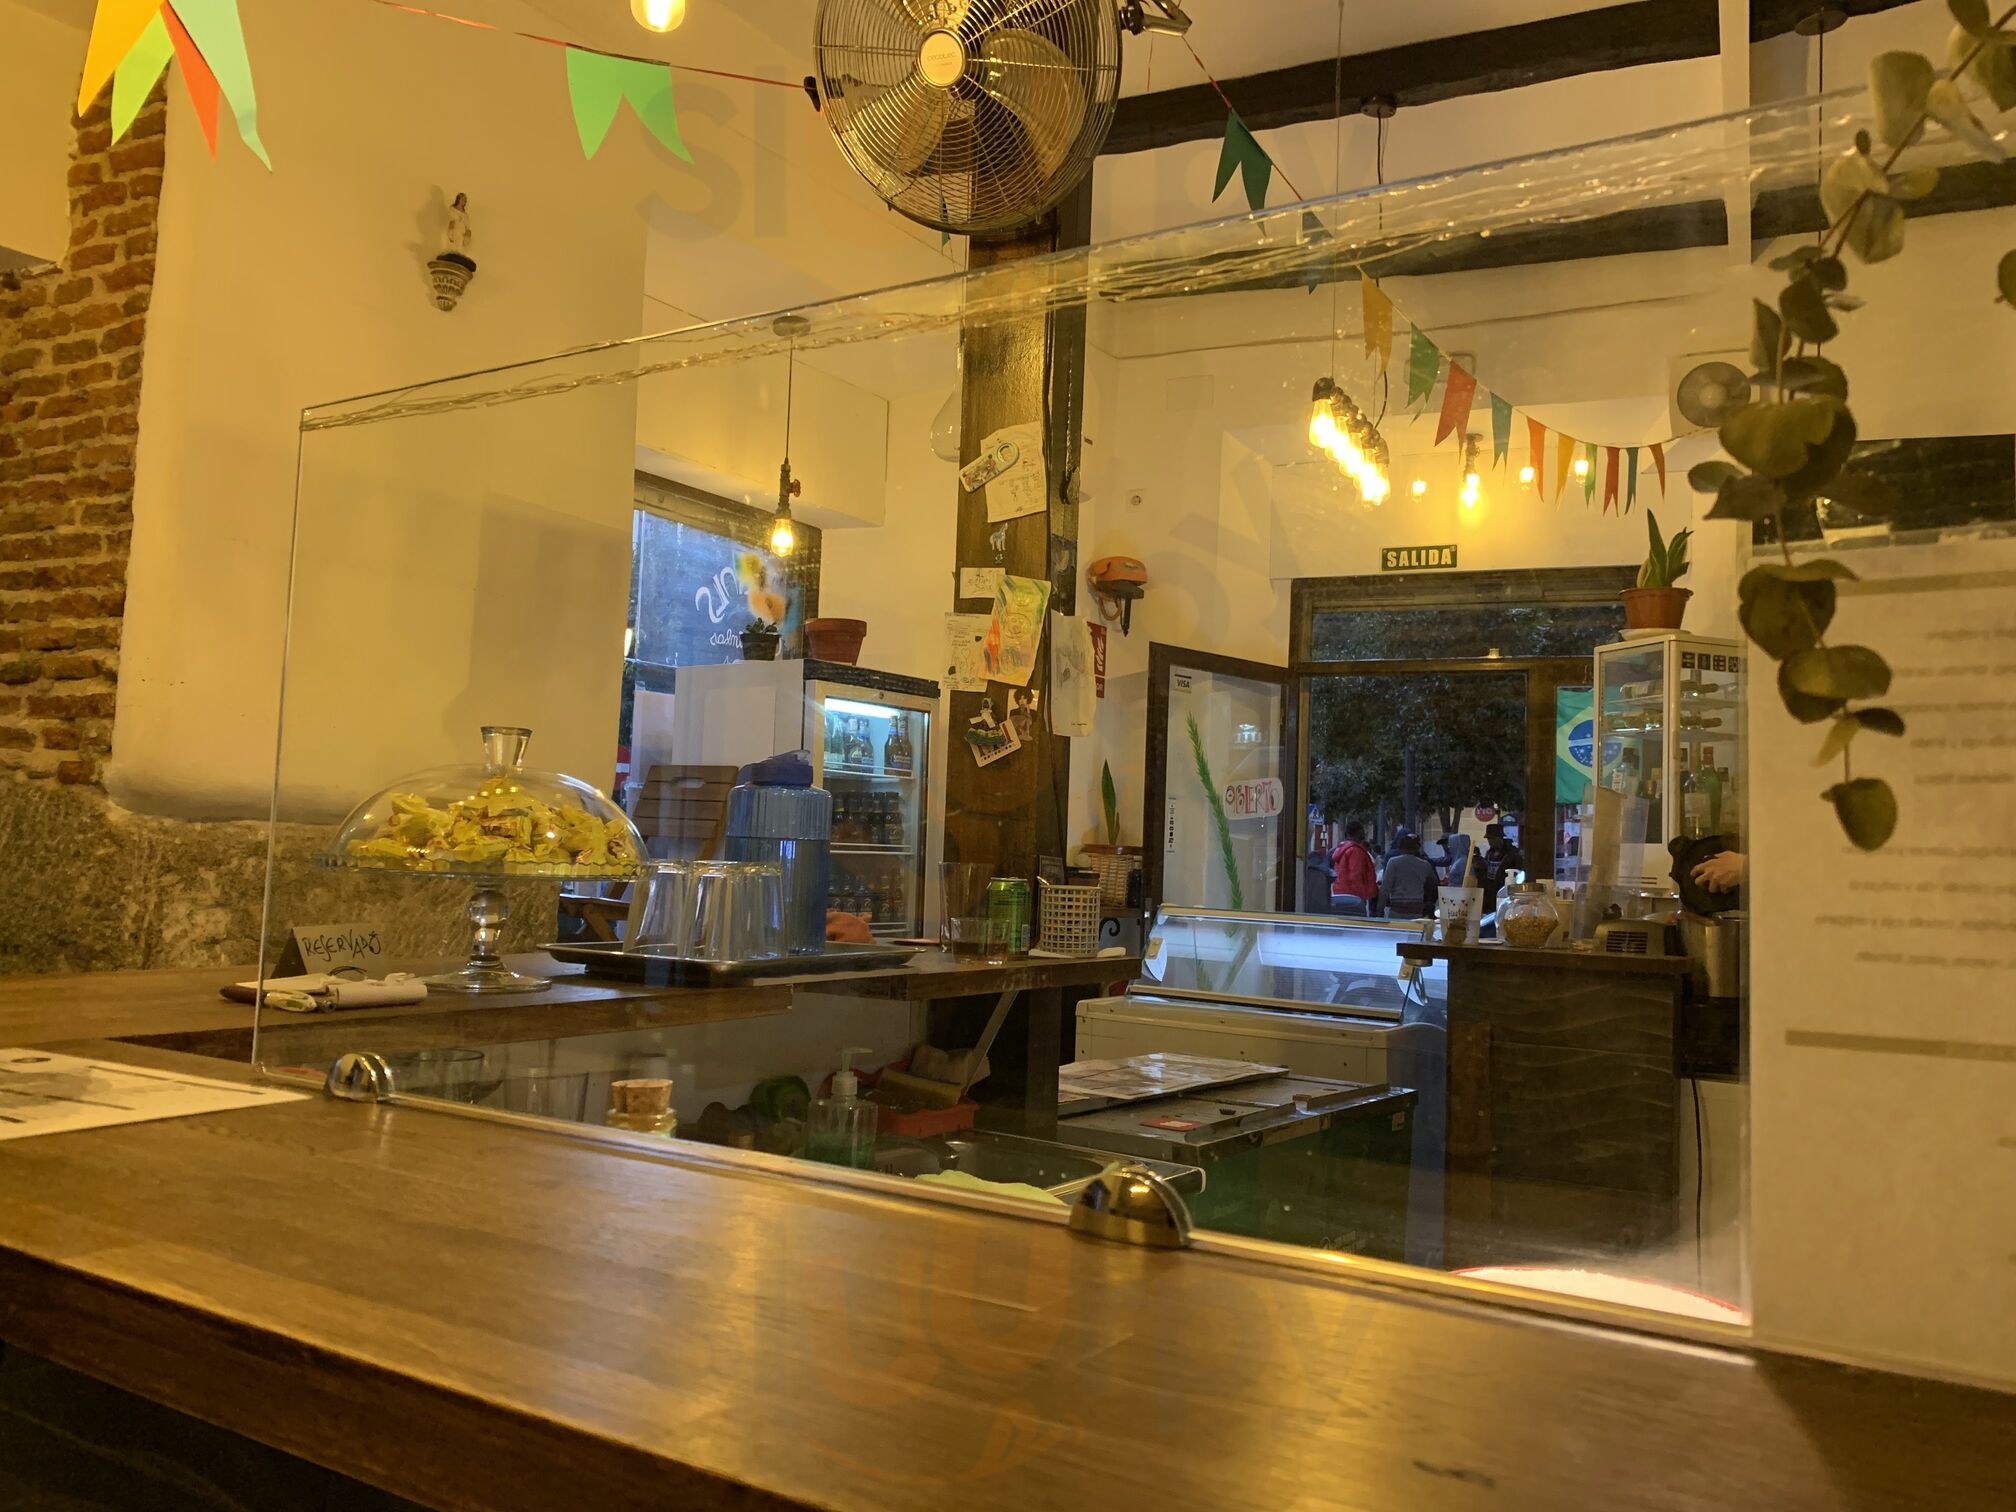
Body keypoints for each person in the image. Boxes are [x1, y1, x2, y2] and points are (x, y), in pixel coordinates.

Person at [1380, 833, 1439, 919]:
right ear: (1417, 848)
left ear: (1401, 848)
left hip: (1396, 910)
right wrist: (1428, 906)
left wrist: (1379, 910)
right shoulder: (1425, 865)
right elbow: (1434, 887)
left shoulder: (1393, 863)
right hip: (1416, 911)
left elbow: (1385, 888)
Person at [1328, 821, 1379, 917]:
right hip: (1354, 897)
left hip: (1340, 893)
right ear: (1358, 833)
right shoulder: (1355, 851)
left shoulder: (1342, 849)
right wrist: (1361, 896)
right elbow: (1356, 876)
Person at [1476, 823, 1526, 917]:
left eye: (1492, 839)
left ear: (1499, 838)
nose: (1490, 842)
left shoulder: (1512, 855)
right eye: (1488, 839)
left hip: (1504, 892)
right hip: (1489, 894)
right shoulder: (1489, 853)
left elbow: (1519, 874)